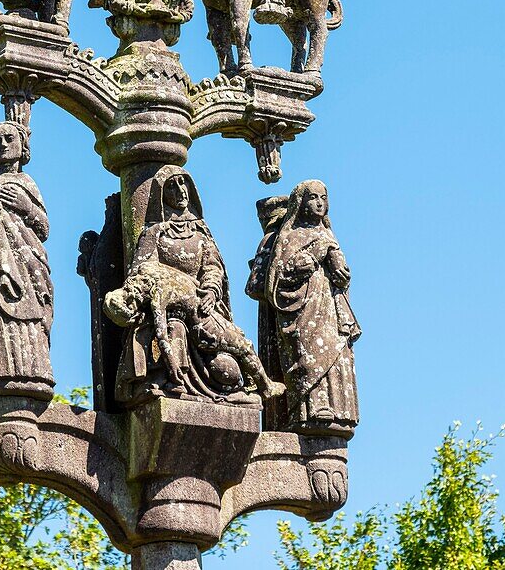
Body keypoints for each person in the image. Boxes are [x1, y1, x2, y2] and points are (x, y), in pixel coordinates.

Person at [106, 165, 282, 405]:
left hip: (201, 309)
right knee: (173, 330)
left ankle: (256, 385)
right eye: (172, 186)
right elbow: (142, 272)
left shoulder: (200, 232)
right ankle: (172, 382)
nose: (180, 191)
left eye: (183, 183)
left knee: (228, 371)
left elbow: (213, 268)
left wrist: (210, 290)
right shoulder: (155, 234)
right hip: (171, 314)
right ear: (161, 195)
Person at [260, 180, 360, 436]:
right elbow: (280, 276)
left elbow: (341, 278)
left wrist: (341, 274)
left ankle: (339, 408)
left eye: (323, 198)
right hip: (303, 308)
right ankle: (312, 408)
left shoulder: (330, 236)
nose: (319, 203)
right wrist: (317, 252)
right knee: (309, 355)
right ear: (300, 203)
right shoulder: (291, 236)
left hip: (329, 307)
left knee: (336, 352)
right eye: (313, 197)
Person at [0, 121, 55, 400]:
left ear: (21, 146)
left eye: (8, 138)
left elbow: (43, 228)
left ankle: (36, 369)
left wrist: (24, 206)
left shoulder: (28, 183)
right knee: (5, 311)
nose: (2, 144)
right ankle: (8, 369)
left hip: (31, 262)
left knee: (34, 316)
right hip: (1, 264)